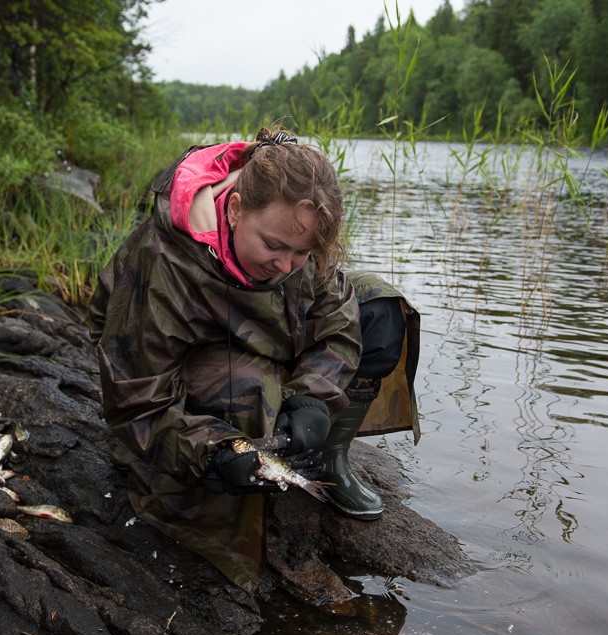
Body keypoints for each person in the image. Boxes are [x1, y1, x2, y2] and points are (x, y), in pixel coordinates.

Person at [90, 126, 420, 592]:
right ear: (236, 210)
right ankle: (229, 464)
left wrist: (313, 398)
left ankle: (330, 458)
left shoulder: (300, 230)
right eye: (273, 246)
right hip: (192, 363)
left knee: (380, 309)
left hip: (271, 334)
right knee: (246, 386)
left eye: (302, 252)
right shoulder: (161, 263)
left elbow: (337, 322)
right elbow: (136, 402)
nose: (285, 265)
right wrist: (213, 455)